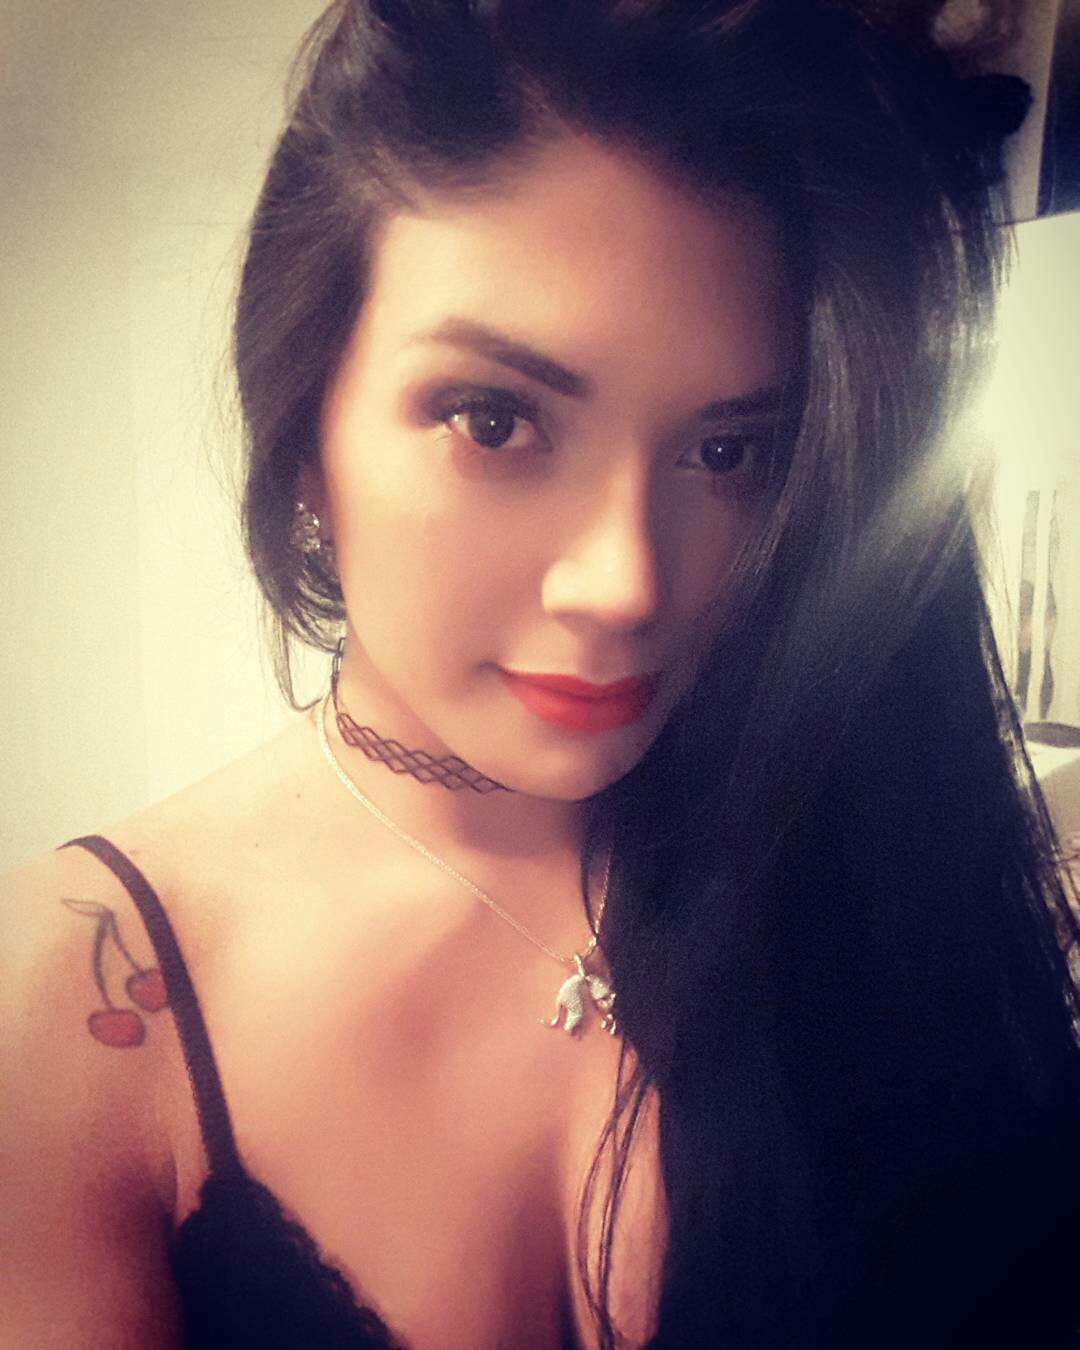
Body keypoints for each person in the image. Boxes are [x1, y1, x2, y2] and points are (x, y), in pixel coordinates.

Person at [3, 1, 1079, 1346]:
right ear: (304, 428)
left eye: (727, 452)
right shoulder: (67, 1014)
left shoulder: (858, 836)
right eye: (495, 419)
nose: (627, 581)